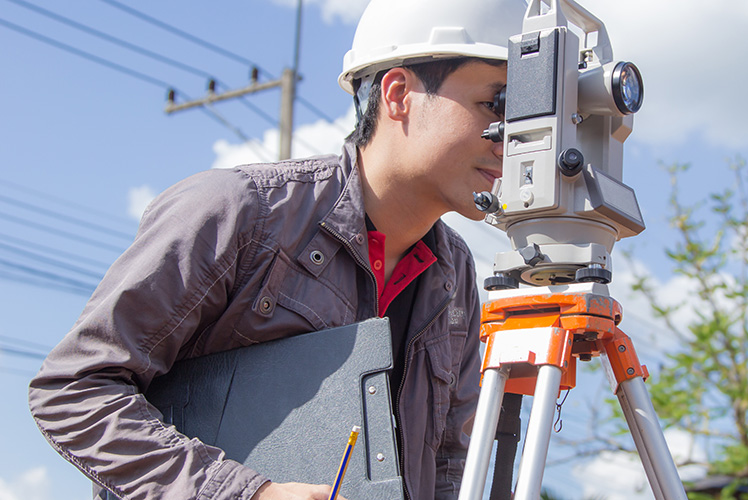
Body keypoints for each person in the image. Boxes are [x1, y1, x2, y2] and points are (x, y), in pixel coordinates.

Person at [27, 0, 526, 498]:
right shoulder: (239, 213)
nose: (512, 139)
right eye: (496, 105)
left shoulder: (453, 275)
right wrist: (246, 493)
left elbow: (447, 466)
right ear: (399, 94)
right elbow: (74, 390)